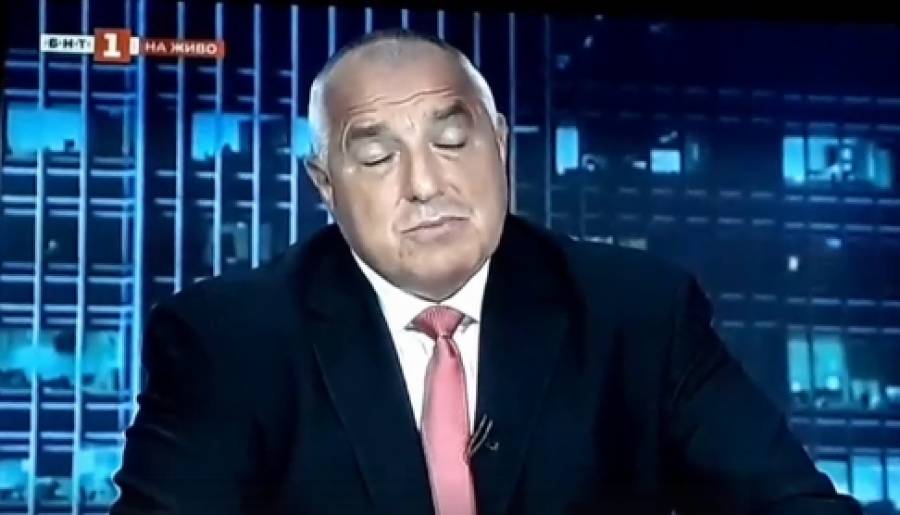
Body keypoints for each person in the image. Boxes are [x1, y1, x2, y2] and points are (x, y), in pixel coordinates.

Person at [110, 29, 862, 515]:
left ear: (500, 143)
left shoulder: (637, 313)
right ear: (325, 186)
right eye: (377, 156)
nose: (426, 184)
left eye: (452, 141)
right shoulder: (228, 342)